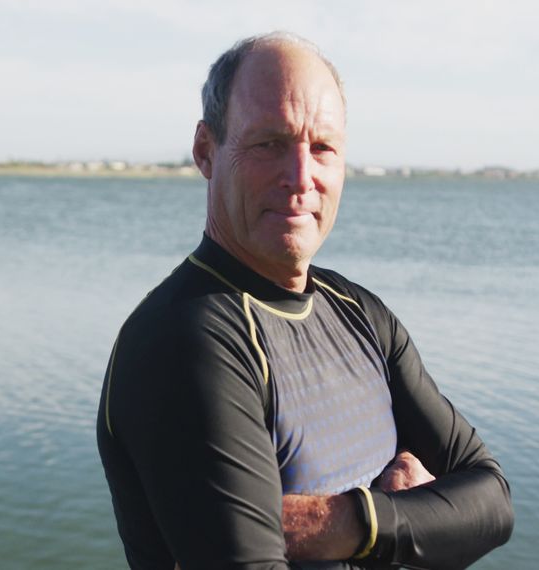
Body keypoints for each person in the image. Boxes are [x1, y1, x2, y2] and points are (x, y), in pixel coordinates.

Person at [97, 32, 513, 569]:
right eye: (270, 143)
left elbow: (493, 501)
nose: (301, 178)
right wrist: (418, 521)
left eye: (322, 148)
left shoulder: (358, 312)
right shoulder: (187, 339)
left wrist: (352, 522)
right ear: (206, 150)